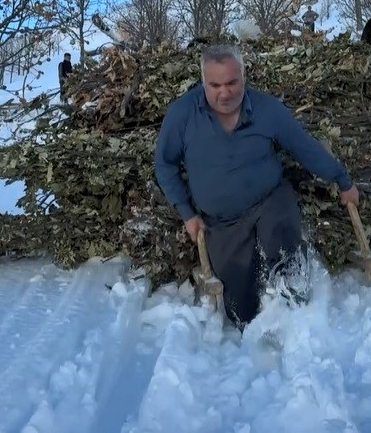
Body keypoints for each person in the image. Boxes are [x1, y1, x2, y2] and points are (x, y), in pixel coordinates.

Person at [154, 43, 359, 328]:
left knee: (287, 258)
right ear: (203, 82)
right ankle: (255, 336)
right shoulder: (183, 114)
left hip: (269, 201)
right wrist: (187, 214)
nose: (224, 93)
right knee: (241, 309)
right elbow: (164, 164)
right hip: (222, 221)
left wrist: (342, 180)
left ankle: (299, 319)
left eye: (231, 82)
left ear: (243, 76)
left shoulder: (267, 109)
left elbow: (304, 148)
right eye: (215, 85)